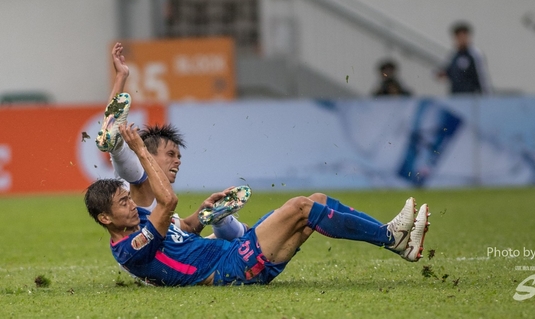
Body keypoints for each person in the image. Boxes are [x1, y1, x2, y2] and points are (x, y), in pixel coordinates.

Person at [85, 122, 431, 286]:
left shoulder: (141, 221)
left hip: (235, 254)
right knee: (301, 207)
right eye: (123, 203)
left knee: (317, 200)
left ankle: (394, 237)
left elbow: (183, 228)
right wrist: (139, 148)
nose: (132, 205)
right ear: (105, 218)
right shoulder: (132, 247)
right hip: (230, 269)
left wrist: (203, 213)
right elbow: (166, 199)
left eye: (129, 199)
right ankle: (391, 238)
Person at [94, 43, 245, 240]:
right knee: (137, 174)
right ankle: (116, 145)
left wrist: (206, 210)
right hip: (144, 250)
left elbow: (187, 227)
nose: (178, 161)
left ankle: (225, 224)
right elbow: (117, 122)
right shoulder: (142, 184)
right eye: (171, 154)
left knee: (233, 234)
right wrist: (120, 78)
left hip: (162, 247)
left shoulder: (159, 199)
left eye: (179, 156)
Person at [437, 22, 492, 95]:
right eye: (459, 37)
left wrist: (487, 95)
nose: (461, 39)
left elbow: (483, 76)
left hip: (472, 97)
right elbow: (444, 71)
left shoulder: (475, 54)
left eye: (464, 36)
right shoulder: (452, 56)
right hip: (456, 96)